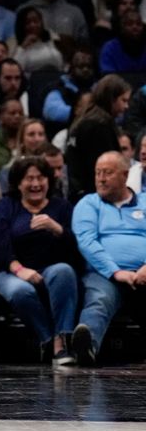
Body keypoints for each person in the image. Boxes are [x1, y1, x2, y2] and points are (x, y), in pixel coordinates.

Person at [0, 156, 79, 365]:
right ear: (19, 183)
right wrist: (20, 270)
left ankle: (61, 341)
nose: (36, 184)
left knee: (64, 271)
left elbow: (75, 249)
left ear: (49, 180)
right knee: (21, 291)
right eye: (29, 179)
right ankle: (46, 340)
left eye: (41, 178)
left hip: (50, 267)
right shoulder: (6, 206)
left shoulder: (62, 207)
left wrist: (57, 229)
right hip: (10, 269)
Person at [72, 152, 146, 366]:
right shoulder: (88, 204)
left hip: (142, 272)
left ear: (124, 175)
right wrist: (115, 271)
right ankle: (86, 347)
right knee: (99, 300)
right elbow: (86, 242)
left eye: (108, 173)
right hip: (103, 274)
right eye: (97, 173)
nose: (101, 178)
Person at [66, 74, 131, 202]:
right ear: (112, 99)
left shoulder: (83, 119)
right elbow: (105, 168)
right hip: (94, 197)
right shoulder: (99, 125)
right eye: (123, 100)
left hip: (80, 194)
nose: (126, 107)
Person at [43, 48, 96, 137]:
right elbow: (51, 111)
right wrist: (88, 113)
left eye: (89, 66)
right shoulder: (58, 87)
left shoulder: (99, 88)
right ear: (70, 68)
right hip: (63, 136)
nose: (85, 70)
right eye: (81, 66)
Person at [11, 6, 64, 75]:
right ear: (22, 25)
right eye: (28, 23)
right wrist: (23, 46)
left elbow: (61, 64)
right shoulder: (15, 44)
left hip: (56, 80)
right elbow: (14, 70)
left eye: (36, 21)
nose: (33, 25)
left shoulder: (51, 37)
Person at [99, 9, 146, 74]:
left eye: (138, 24)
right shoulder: (110, 48)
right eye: (130, 24)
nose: (135, 27)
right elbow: (108, 77)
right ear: (122, 27)